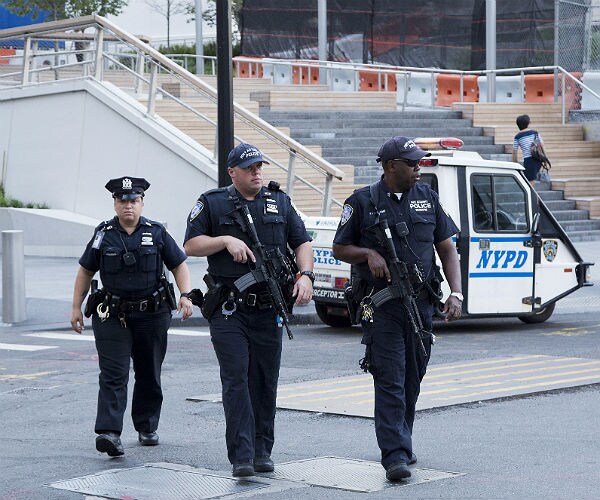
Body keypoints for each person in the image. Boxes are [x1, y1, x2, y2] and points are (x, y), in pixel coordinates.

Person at [332, 136, 462, 482]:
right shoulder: (362, 201)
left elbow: (447, 249)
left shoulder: (427, 198)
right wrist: (368, 254)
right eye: (412, 163)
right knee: (390, 377)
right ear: (391, 166)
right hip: (382, 306)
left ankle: (402, 438)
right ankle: (394, 454)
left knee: (412, 376)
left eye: (419, 162)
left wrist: (456, 294)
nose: (419, 168)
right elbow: (340, 248)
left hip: (421, 304)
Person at [183, 143, 314, 478]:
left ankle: (262, 450)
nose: (257, 173)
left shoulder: (279, 201)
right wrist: (224, 240)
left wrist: (306, 275)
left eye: (259, 167)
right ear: (232, 172)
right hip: (230, 310)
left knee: (265, 380)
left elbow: (302, 241)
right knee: (236, 379)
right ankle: (241, 455)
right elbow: (191, 245)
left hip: (268, 308)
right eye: (249, 168)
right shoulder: (212, 202)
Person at [70, 176, 193, 457]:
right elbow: (85, 271)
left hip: (152, 314)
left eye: (134, 200)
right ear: (115, 203)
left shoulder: (157, 232)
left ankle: (147, 426)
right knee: (113, 373)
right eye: (122, 200)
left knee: (148, 372)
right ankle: (109, 433)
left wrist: (185, 295)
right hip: (112, 315)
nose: (128, 205)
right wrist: (76, 306)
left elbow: (179, 265)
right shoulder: (103, 234)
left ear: (142, 203)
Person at [512, 114, 545, 187]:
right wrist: (544, 157)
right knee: (531, 180)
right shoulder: (534, 133)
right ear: (528, 123)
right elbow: (541, 145)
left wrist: (515, 163)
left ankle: (530, 194)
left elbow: (514, 151)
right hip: (538, 159)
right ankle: (530, 193)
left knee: (530, 181)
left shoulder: (518, 137)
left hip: (529, 160)